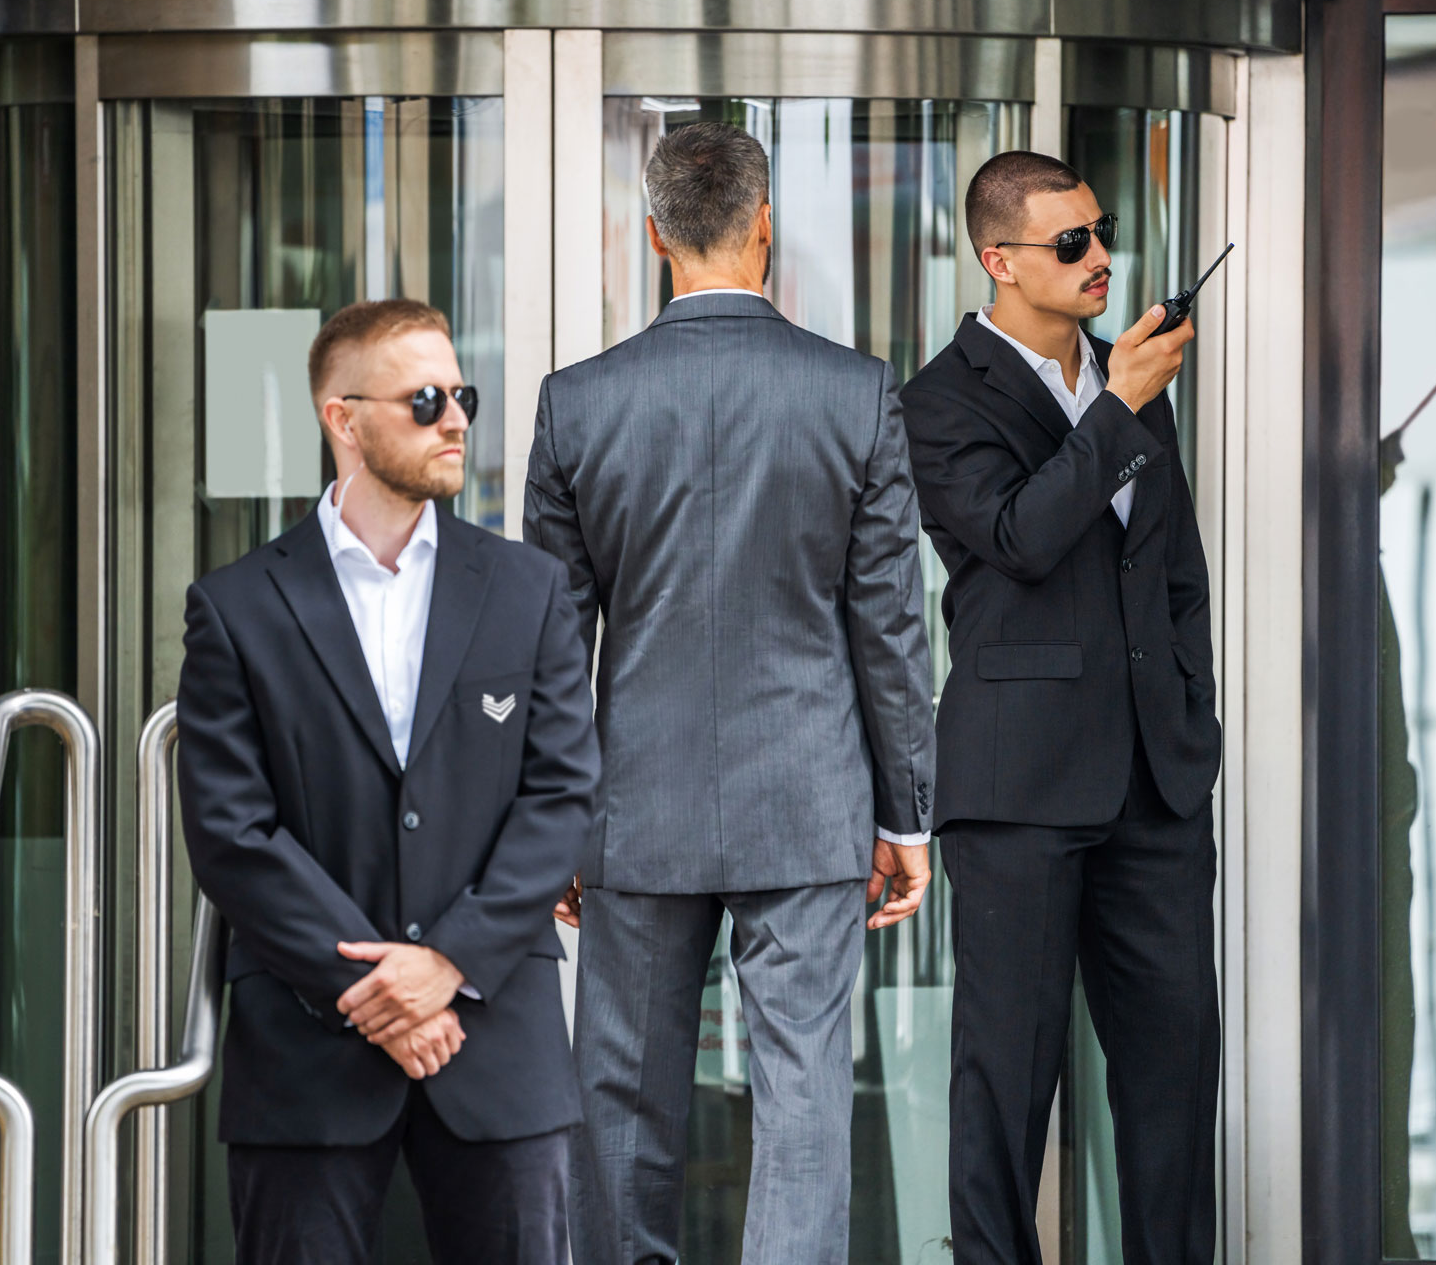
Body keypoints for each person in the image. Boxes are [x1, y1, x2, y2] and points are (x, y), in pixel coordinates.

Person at [525, 120, 937, 1265]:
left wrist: (547, 810)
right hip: (808, 798)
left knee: (620, 1097)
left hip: (631, 804)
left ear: (654, 234)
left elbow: (553, 638)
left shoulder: (577, 402)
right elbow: (889, 624)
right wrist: (906, 812)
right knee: (803, 1098)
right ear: (765, 226)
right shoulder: (853, 393)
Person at [176, 299, 599, 1265]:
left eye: (462, 396)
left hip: (495, 1038)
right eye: (424, 399)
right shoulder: (237, 608)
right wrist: (371, 987)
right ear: (344, 418)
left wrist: (445, 965)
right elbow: (232, 833)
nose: (455, 419)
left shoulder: (527, 589)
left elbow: (564, 793)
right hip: (307, 1049)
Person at [899, 151, 1222, 1265]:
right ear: (999, 260)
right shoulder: (939, 400)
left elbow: (1174, 568)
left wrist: (1193, 705)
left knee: (1176, 1081)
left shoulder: (1123, 379)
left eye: (1103, 231)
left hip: (1156, 778)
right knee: (1006, 1083)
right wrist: (1122, 404)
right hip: (1020, 780)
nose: (1102, 259)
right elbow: (1020, 537)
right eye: (1070, 243)